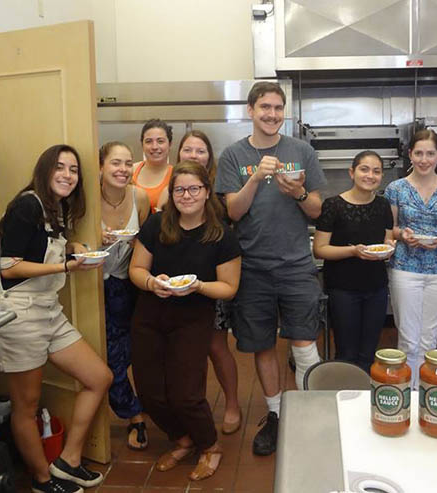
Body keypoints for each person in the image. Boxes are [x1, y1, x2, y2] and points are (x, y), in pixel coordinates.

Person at [0, 145, 113, 493]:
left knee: (99, 377)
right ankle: (43, 481)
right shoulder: (26, 205)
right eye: (60, 167)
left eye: (73, 170)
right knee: (26, 406)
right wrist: (66, 267)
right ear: (45, 170)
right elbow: (11, 266)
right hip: (18, 313)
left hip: (48, 310)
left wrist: (75, 248)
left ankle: (67, 461)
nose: (68, 175)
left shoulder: (55, 209)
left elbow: (43, 245)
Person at [216, 81, 326, 456]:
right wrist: (255, 177)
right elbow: (232, 212)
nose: (272, 114)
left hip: (296, 265)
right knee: (262, 345)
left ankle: (316, 413)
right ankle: (277, 416)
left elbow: (316, 210)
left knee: (304, 340)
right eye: (265, 107)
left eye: (279, 108)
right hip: (252, 269)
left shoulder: (302, 151)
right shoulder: (233, 155)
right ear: (250, 110)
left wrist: (295, 192)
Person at [128, 162, 241, 480]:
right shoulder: (156, 225)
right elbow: (136, 270)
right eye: (179, 189)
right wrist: (153, 283)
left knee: (186, 393)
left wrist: (198, 286)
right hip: (151, 311)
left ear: (207, 192)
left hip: (193, 315)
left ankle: (210, 446)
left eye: (194, 189)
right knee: (150, 392)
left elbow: (229, 288)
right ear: (171, 193)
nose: (186, 195)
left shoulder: (222, 235)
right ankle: (183, 439)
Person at [156, 130, 243, 434]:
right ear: (178, 154)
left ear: (210, 157)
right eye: (188, 150)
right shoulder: (172, 189)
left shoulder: (219, 194)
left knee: (215, 346)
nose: (194, 155)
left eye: (201, 151)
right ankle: (192, 407)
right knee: (182, 352)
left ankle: (231, 402)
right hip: (174, 285)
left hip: (211, 283)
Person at [384, 129, 437, 389]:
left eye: (430, 153)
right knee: (408, 339)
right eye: (418, 153)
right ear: (410, 154)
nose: (424, 159)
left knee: (429, 339)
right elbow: (391, 228)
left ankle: (424, 392)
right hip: (405, 269)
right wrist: (403, 234)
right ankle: (405, 394)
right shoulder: (396, 188)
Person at [313, 151, 394, 373]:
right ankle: (345, 400)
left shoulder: (383, 205)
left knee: (368, 352)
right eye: (364, 169)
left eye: (376, 171)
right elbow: (319, 249)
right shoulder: (333, 205)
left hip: (376, 287)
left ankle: (364, 403)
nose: (370, 175)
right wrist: (353, 251)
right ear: (352, 172)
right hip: (343, 289)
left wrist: (389, 249)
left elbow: (387, 240)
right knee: (346, 353)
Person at [99, 141, 150, 450]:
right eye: (115, 163)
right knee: (108, 356)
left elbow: (146, 244)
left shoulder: (139, 197)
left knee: (127, 351)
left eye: (128, 163)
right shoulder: (87, 200)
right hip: (90, 284)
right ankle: (133, 414)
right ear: (101, 167)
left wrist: (135, 246)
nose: (122, 169)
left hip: (127, 283)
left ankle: (134, 405)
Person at [132, 119, 173, 212]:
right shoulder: (130, 171)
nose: (154, 147)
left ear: (169, 144)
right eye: (148, 141)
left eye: (160, 141)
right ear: (142, 145)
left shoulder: (176, 175)